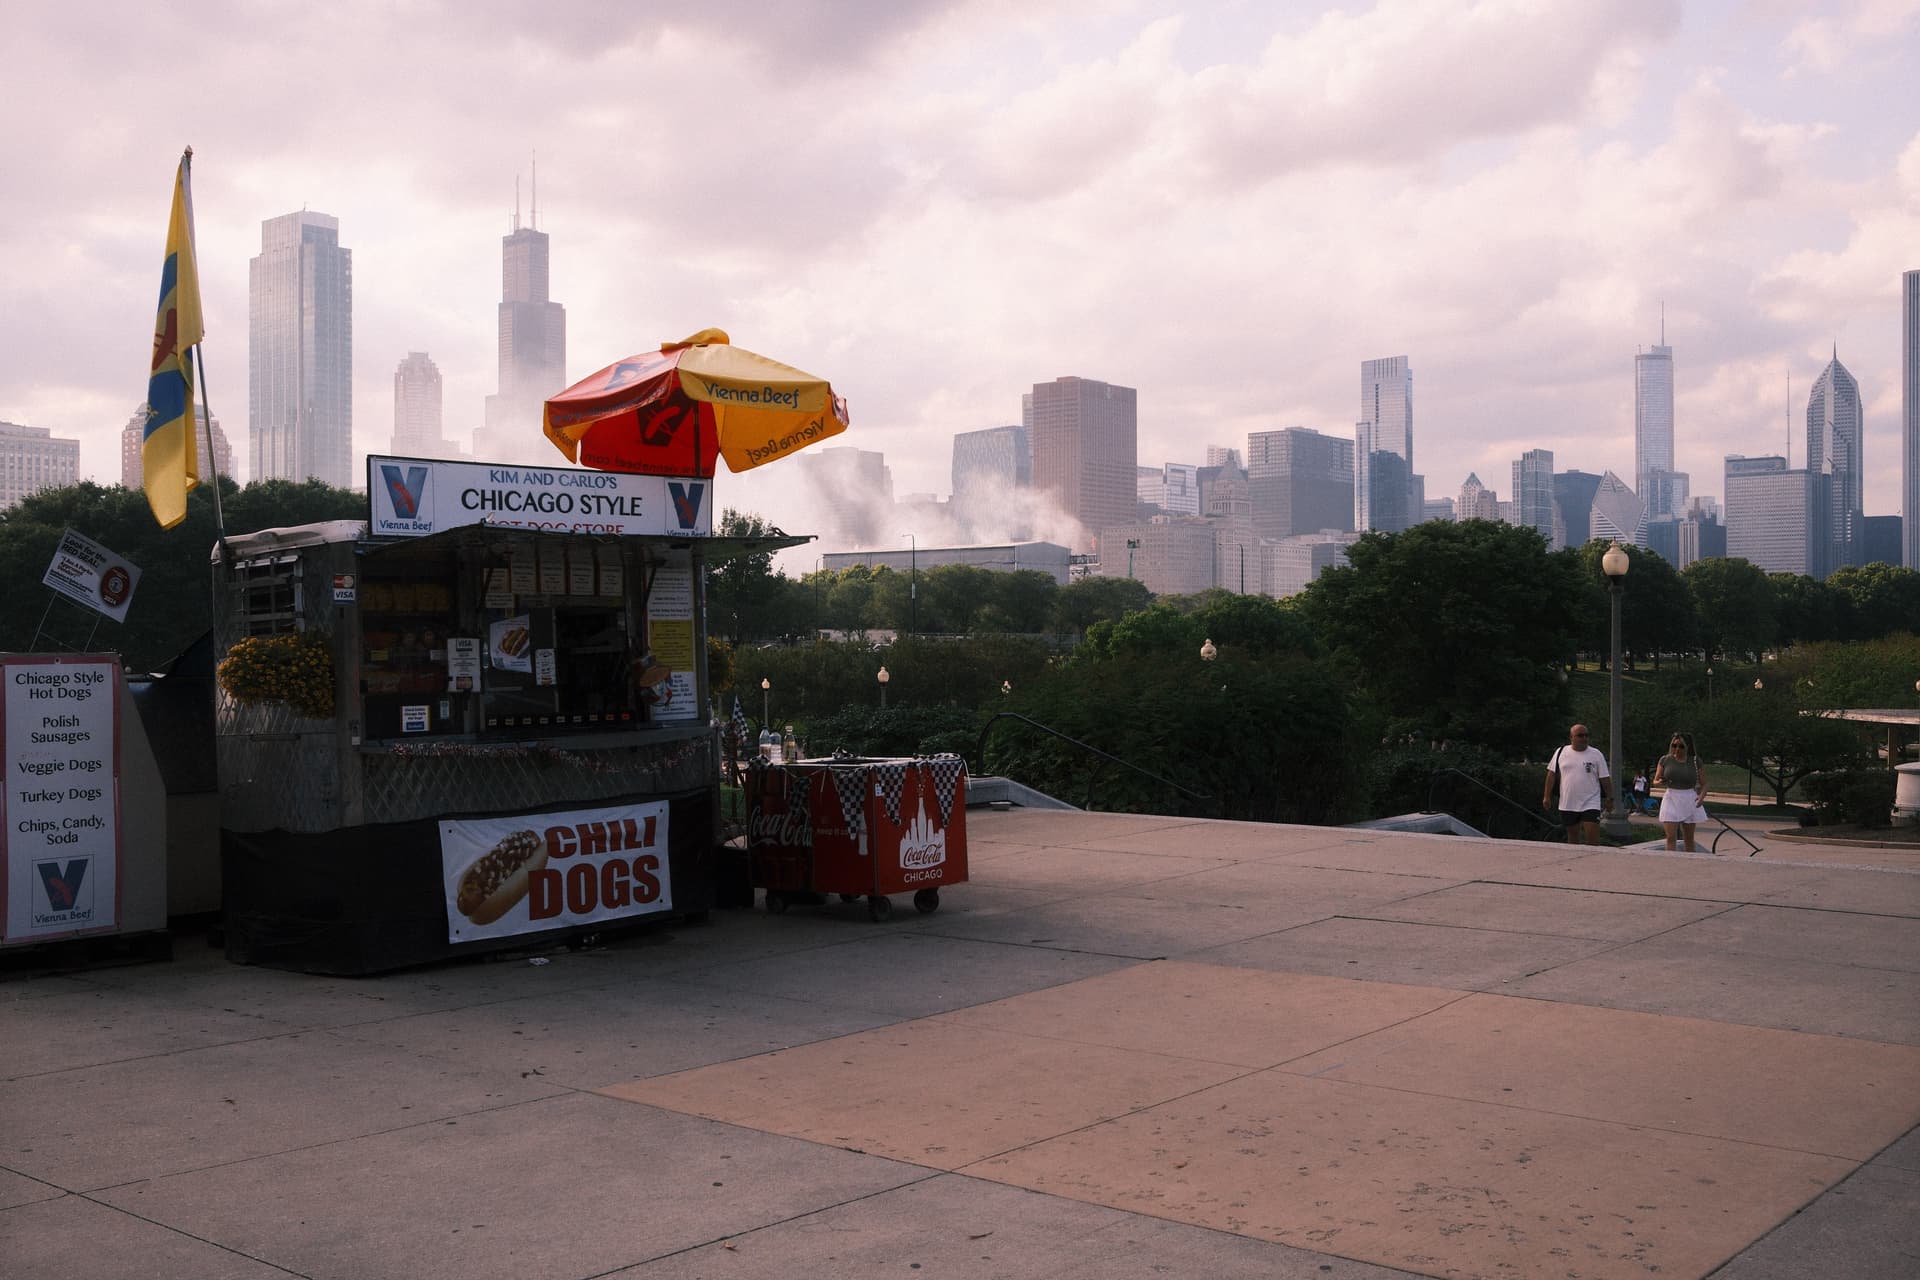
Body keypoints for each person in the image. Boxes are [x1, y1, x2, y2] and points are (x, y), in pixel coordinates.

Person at [1542, 723, 1614, 845]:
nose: (1584, 738)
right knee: (1573, 837)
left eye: (1586, 735)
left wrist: (1610, 798)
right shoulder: (1561, 752)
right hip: (1568, 802)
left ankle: (1592, 862)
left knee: (1592, 837)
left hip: (1591, 802)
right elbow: (1551, 775)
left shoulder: (1596, 754)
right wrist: (1546, 796)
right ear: (1571, 737)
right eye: (1580, 735)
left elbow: (1605, 779)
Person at [1654, 731, 1708, 852]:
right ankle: (1671, 861)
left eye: (1681, 746)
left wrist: (1701, 798)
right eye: (1674, 745)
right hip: (1671, 797)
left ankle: (1689, 862)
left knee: (1688, 838)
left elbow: (1705, 784)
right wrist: (1661, 782)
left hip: (1689, 797)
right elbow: (1655, 780)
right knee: (1670, 836)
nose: (1677, 749)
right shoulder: (1665, 760)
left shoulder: (1695, 761)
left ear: (1688, 747)